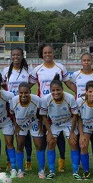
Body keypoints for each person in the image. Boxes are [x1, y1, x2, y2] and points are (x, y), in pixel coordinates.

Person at [30, 44, 77, 172]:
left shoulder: (60, 67)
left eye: (50, 52)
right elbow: (29, 85)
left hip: (59, 105)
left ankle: (61, 161)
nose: (47, 55)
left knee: (60, 136)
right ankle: (44, 166)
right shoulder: (37, 69)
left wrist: (81, 93)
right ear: (42, 54)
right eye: (45, 53)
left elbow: (68, 84)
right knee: (47, 136)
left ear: (53, 53)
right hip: (44, 106)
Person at [40, 74, 79, 180]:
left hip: (68, 123)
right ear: (50, 90)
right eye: (53, 90)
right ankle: (52, 171)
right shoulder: (46, 99)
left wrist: (72, 132)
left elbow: (75, 114)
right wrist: (50, 133)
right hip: (55, 124)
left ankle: (75, 171)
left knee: (73, 142)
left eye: (58, 90)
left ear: (62, 89)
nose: (56, 92)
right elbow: (43, 116)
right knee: (51, 142)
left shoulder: (70, 97)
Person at [71, 52, 93, 173]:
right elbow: (73, 87)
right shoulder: (75, 75)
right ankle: (82, 163)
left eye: (88, 60)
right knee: (83, 141)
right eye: (84, 60)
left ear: (92, 62)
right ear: (81, 61)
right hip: (82, 112)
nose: (86, 62)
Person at [3, 47, 33, 171]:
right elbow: (3, 86)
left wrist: (24, 94)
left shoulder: (28, 70)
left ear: (22, 56)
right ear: (11, 56)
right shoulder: (5, 71)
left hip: (25, 106)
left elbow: (31, 84)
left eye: (18, 55)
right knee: (10, 134)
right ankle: (10, 161)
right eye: (13, 55)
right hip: (11, 107)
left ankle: (28, 160)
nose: (16, 57)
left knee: (26, 135)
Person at [10, 82, 45, 178]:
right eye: (21, 93)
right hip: (20, 125)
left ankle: (41, 170)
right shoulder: (13, 100)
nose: (23, 95)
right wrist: (16, 125)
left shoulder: (36, 100)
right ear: (18, 93)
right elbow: (12, 114)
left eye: (26, 93)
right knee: (20, 145)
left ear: (30, 92)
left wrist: (40, 124)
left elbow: (41, 113)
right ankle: (20, 170)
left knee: (39, 145)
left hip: (34, 123)